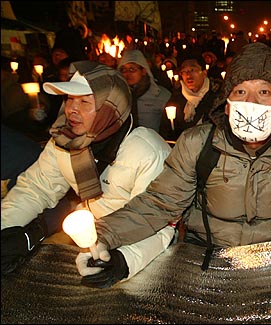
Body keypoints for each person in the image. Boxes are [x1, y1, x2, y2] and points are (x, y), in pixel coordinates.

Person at [76, 42, 271, 314]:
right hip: (209, 258)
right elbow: (160, 203)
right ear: (227, 103)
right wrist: (104, 236)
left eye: (264, 92)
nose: (251, 102)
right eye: (240, 91)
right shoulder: (198, 142)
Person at [1, 61, 174, 278]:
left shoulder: (147, 151)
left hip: (145, 251)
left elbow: (159, 222)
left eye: (84, 101)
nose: (72, 108)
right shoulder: (65, 142)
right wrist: (5, 227)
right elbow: (37, 188)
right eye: (70, 99)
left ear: (111, 108)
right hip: (91, 242)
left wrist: (125, 260)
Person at [159, 55, 223, 141]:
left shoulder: (217, 96)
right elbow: (165, 129)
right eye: (184, 71)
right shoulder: (176, 98)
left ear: (204, 73)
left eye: (192, 70)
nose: (188, 75)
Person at [117, 49, 172, 133]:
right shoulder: (117, 95)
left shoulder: (161, 95)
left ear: (143, 71)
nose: (127, 74)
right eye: (124, 70)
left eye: (132, 69)